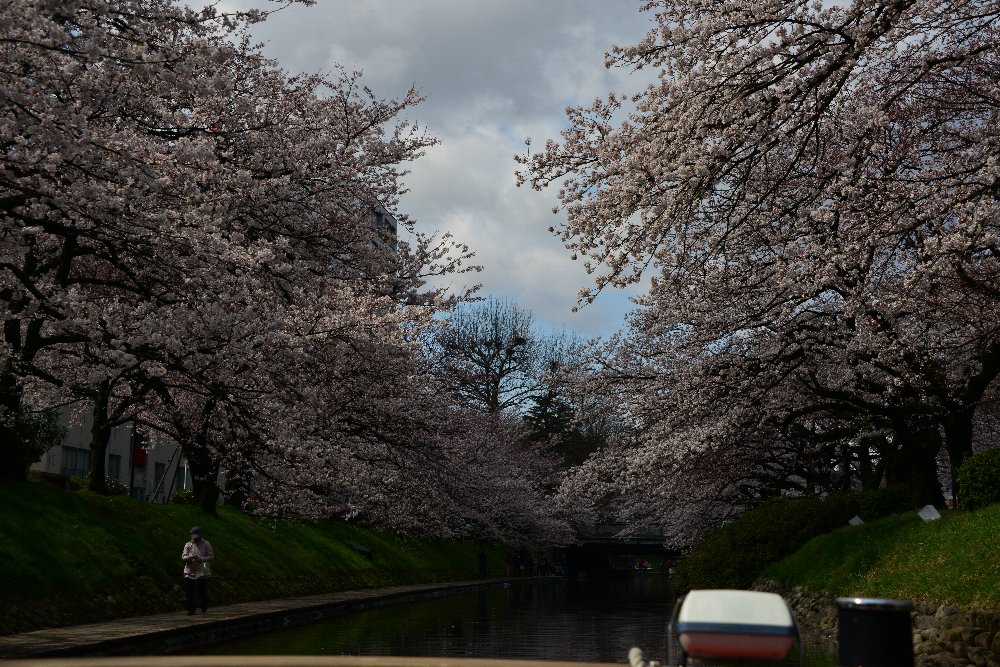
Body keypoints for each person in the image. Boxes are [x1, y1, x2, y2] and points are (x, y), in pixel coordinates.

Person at [181, 526, 214, 615]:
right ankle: (191, 609)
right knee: (189, 590)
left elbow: (211, 556)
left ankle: (204, 606)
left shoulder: (206, 543)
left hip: (202, 567)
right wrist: (191, 557)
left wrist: (201, 559)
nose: (195, 538)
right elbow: (183, 557)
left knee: (202, 589)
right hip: (190, 568)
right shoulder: (188, 544)